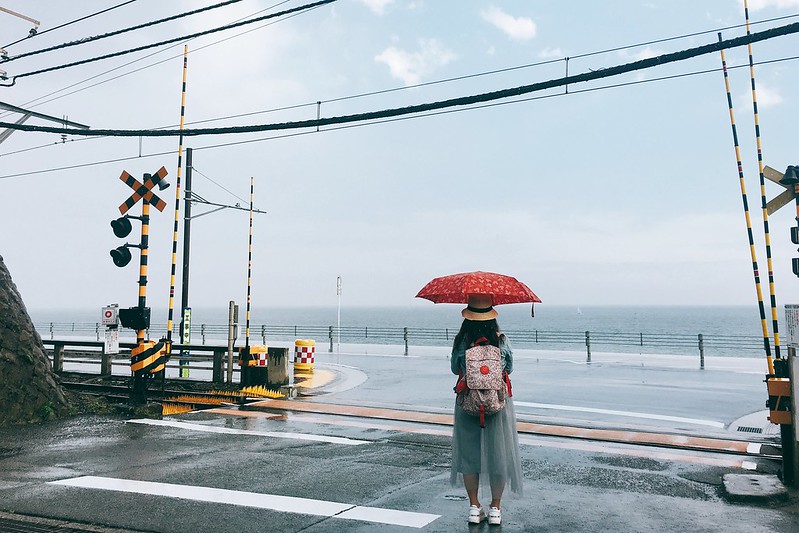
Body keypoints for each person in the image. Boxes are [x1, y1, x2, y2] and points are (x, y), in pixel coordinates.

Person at [450, 294, 523, 525]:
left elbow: (454, 369)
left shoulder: (461, 341)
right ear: (493, 318)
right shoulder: (501, 340)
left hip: (467, 401)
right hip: (497, 403)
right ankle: (495, 509)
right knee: (499, 453)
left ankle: (474, 507)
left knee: (468, 454)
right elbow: (509, 367)